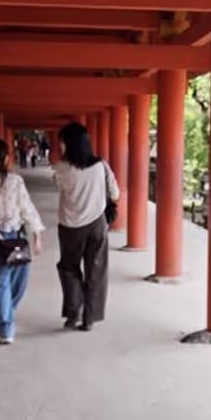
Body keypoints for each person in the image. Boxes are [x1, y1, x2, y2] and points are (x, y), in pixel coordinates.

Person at [0, 138, 44, 345]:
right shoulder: (14, 181)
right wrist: (36, 234)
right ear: (2, 158)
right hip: (15, 238)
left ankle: (4, 316)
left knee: (1, 285)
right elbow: (26, 208)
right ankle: (6, 328)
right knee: (17, 282)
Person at [52, 122, 120, 331]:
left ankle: (73, 314)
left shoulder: (62, 168)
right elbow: (115, 193)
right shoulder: (101, 165)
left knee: (69, 268)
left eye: (62, 142)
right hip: (97, 225)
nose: (60, 146)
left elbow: (58, 185)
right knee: (96, 271)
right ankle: (89, 318)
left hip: (70, 226)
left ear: (69, 144)